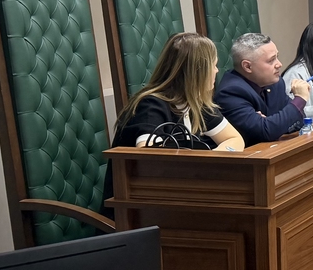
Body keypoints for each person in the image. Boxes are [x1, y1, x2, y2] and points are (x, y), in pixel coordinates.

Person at [103, 32, 244, 210]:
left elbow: (234, 139)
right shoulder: (150, 106)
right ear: (197, 71)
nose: (217, 71)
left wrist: (213, 158)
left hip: (174, 203)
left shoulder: (195, 103)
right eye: (213, 65)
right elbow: (149, 159)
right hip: (133, 212)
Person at [215, 32, 312, 146]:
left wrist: (273, 124)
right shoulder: (230, 92)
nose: (279, 64)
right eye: (271, 60)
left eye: (277, 57)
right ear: (247, 66)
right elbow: (266, 131)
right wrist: (300, 99)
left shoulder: (276, 83)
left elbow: (299, 120)